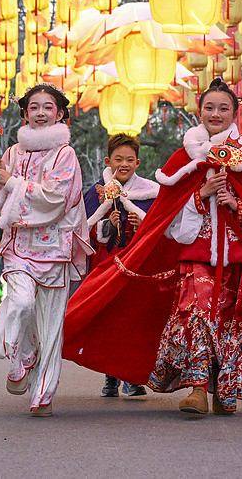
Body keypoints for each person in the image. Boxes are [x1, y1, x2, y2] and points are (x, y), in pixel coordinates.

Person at [63, 79, 242, 416]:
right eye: (209, 107)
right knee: (196, 315)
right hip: (196, 253)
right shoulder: (184, 159)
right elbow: (169, 221)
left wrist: (236, 204)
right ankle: (198, 387)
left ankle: (225, 391)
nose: (216, 113)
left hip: (239, 258)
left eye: (223, 108)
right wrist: (203, 194)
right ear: (199, 112)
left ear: (234, 112)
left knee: (232, 322)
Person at [0, 84, 89, 418]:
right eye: (34, 107)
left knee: (51, 325)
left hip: (54, 248)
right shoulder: (12, 153)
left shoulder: (65, 155)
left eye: (48, 107)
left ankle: (43, 394)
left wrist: (11, 183)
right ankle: (22, 356)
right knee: (22, 303)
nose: (40, 113)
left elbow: (55, 198)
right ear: (24, 113)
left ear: (60, 114)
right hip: (17, 247)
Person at [83, 133, 159, 398]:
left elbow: (162, 228)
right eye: (118, 159)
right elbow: (84, 231)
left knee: (135, 321)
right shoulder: (97, 192)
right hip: (107, 265)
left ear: (138, 162)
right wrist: (107, 224)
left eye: (129, 159)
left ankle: (133, 377)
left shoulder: (150, 191)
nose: (123, 164)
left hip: (140, 266)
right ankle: (110, 377)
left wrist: (142, 226)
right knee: (110, 320)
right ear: (108, 160)